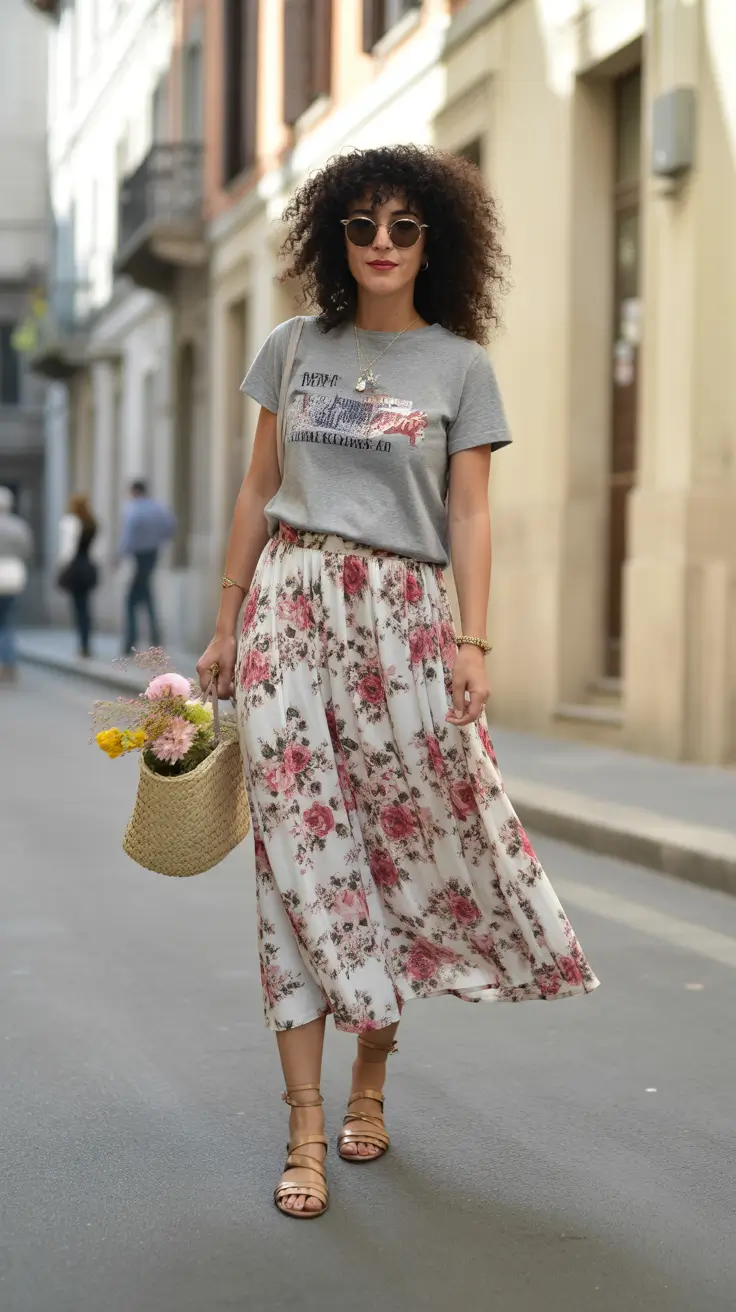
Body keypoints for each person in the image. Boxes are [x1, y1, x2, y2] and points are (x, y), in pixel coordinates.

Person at [197, 145, 599, 1221]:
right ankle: (302, 1128)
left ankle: (372, 1073)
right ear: (334, 237)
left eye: (403, 227)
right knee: (296, 861)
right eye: (361, 225)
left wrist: (474, 642)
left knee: (397, 848)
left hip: (407, 631)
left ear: (435, 243)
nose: (380, 244)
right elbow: (256, 488)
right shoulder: (291, 347)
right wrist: (224, 622)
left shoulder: (459, 367)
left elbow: (468, 512)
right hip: (291, 610)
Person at [118, 480, 175, 655]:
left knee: (130, 600)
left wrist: (120, 555)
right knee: (148, 596)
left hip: (139, 557)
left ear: (134, 492)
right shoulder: (158, 508)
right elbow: (171, 527)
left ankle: (130, 642)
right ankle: (156, 639)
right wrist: (158, 541)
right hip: (153, 554)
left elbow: (128, 535)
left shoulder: (133, 509)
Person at [57, 495, 99, 658]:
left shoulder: (70, 522)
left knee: (79, 608)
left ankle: (84, 644)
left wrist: (62, 568)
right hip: (88, 566)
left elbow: (67, 549)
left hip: (75, 568)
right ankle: (86, 642)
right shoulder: (92, 524)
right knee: (86, 607)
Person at [0, 486, 33, 684]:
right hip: (13, 577)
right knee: (9, 622)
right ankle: (10, 663)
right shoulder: (19, 526)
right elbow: (27, 550)